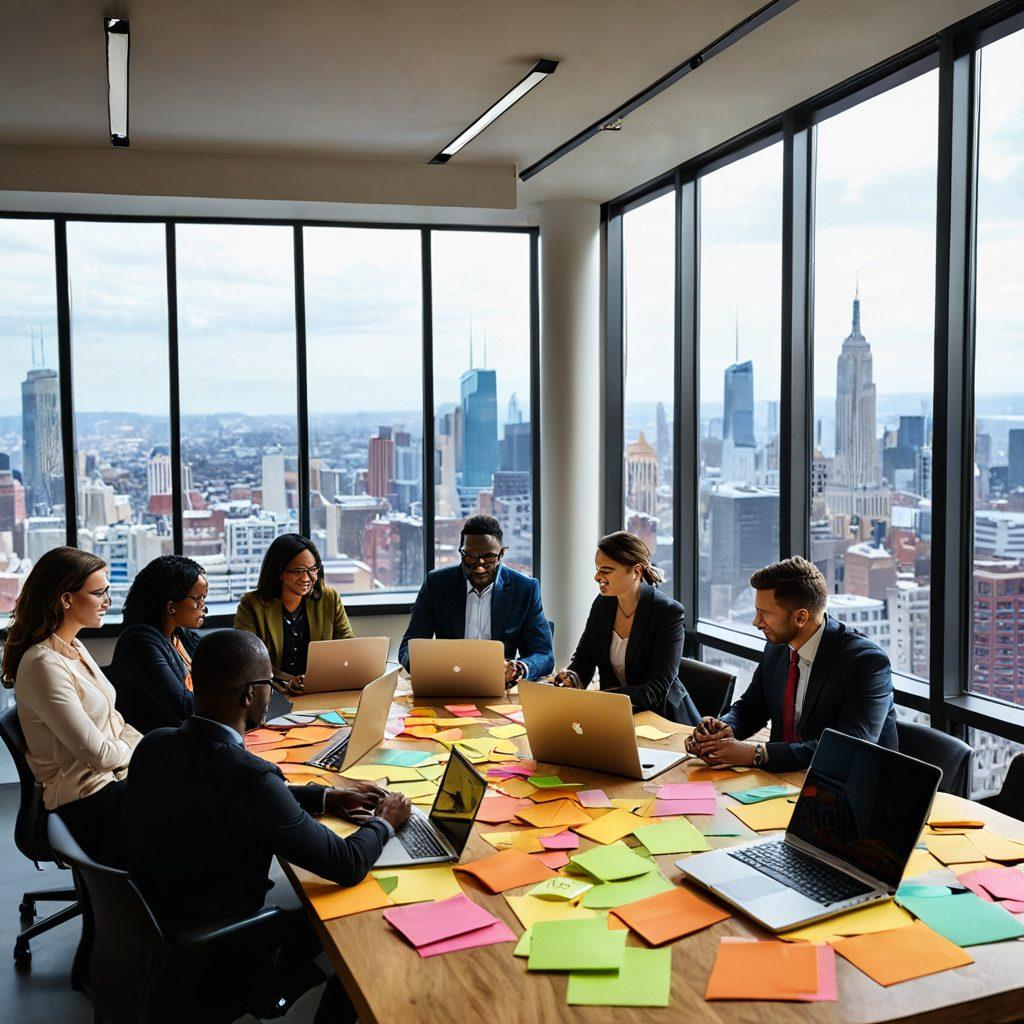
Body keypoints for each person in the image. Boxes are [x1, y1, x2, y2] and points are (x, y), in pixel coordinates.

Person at [124, 629, 410, 1023]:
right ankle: (282, 990)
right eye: (268, 685)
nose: (271, 693)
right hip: (224, 945)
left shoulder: (155, 744)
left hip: (162, 917)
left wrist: (325, 797)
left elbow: (227, 789)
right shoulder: (249, 777)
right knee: (363, 929)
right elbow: (346, 863)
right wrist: (384, 821)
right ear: (247, 695)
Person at [686, 556, 898, 771]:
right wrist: (721, 732)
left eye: (765, 613)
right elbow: (752, 707)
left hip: (847, 788)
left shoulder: (865, 664)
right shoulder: (778, 646)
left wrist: (756, 754)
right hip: (781, 780)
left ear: (800, 618)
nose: (756, 622)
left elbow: (847, 749)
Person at [1, 547, 141, 867]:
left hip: (112, 783)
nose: (107, 601)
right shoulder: (43, 664)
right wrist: (136, 748)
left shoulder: (73, 646)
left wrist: (129, 746)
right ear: (66, 599)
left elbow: (116, 723)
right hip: (86, 806)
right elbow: (100, 755)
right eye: (99, 593)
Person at [549, 531, 700, 723]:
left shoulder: (667, 612)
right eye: (597, 569)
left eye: (606, 570)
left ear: (636, 571)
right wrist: (572, 678)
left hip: (661, 718)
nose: (597, 577)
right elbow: (584, 659)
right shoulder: (603, 604)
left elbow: (657, 688)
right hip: (615, 714)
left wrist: (604, 698)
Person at [398, 514, 554, 685]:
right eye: (470, 556)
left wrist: (519, 669)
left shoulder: (524, 589)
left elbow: (544, 654)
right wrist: (428, 668)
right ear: (461, 553)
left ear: (501, 554)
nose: (479, 566)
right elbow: (408, 646)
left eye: (488, 557)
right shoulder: (437, 584)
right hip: (447, 684)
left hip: (500, 687)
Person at [234, 534, 353, 691]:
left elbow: (349, 646)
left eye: (312, 569)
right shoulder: (251, 605)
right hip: (271, 693)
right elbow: (248, 661)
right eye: (298, 571)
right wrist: (287, 683)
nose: (306, 578)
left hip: (320, 689)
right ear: (279, 572)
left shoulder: (329, 599)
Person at [107, 555, 208, 734]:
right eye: (198, 598)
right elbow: (183, 707)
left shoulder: (180, 635)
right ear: (171, 607)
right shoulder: (138, 642)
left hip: (186, 737)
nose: (204, 606)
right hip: (155, 749)